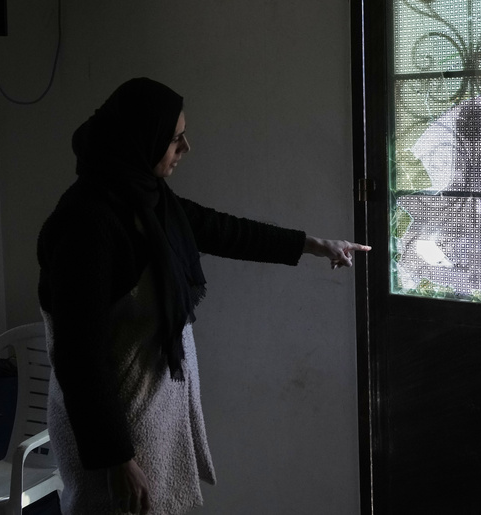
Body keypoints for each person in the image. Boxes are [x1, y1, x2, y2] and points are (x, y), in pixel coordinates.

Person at [37, 78, 368, 515]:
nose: (186, 147)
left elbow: (224, 230)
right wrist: (117, 458)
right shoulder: (88, 223)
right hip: (114, 430)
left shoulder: (150, 200)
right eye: (175, 139)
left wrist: (315, 244)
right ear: (142, 138)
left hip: (149, 411)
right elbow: (79, 358)